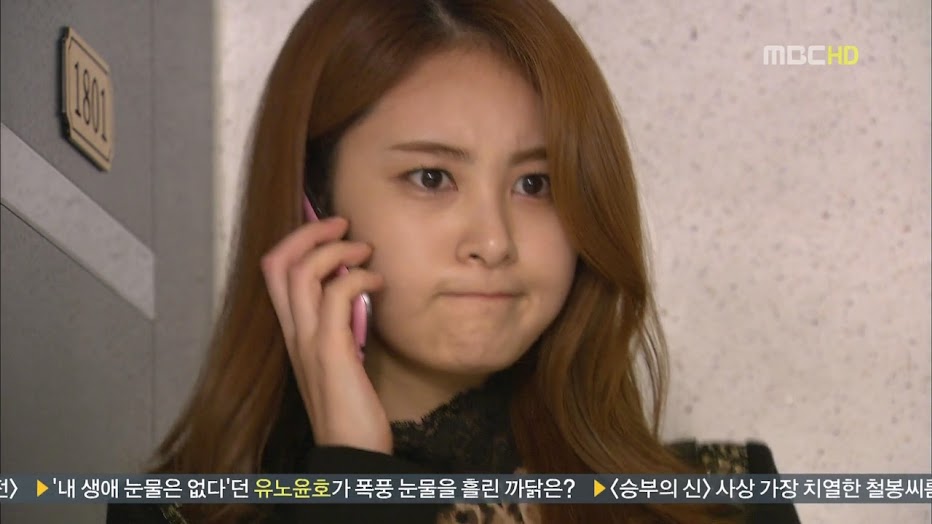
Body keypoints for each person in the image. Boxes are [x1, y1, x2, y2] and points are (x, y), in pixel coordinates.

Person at [108, 0, 800, 523]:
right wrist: (351, 476)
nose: (493, 242)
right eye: (432, 177)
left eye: (536, 184)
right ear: (311, 204)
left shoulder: (727, 503)